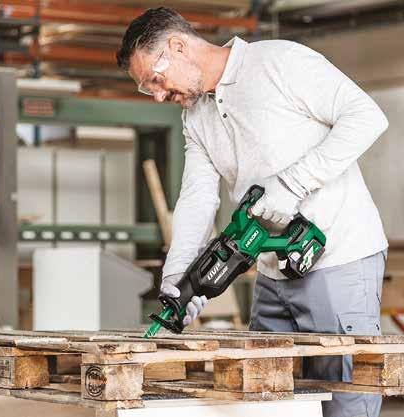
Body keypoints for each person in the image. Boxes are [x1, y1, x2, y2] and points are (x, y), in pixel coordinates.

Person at [117, 7, 389, 417]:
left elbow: (366, 117)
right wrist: (178, 277)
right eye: (147, 90)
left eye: (155, 80)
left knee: (343, 401)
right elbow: (197, 196)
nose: (157, 95)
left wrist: (294, 183)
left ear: (177, 46)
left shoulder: (279, 62)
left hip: (337, 258)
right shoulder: (196, 116)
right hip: (272, 272)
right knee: (262, 400)